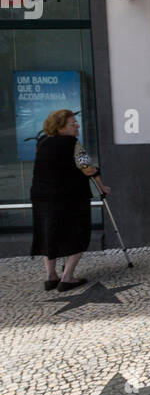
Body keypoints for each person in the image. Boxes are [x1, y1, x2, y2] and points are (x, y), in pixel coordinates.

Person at [30, 109, 110, 291]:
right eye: (72, 123)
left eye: (76, 122)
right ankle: (67, 278)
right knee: (77, 233)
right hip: (70, 197)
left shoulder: (42, 142)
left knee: (49, 233)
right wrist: (103, 186)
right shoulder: (72, 143)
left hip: (42, 196)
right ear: (59, 127)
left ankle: (51, 277)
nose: (77, 125)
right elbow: (87, 168)